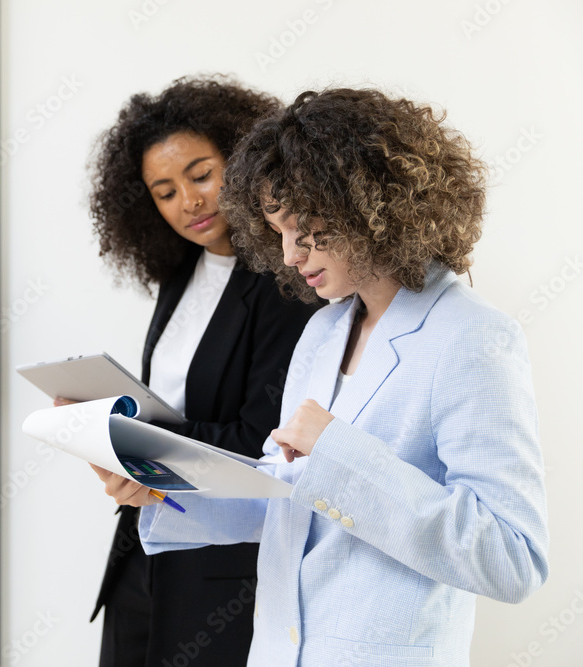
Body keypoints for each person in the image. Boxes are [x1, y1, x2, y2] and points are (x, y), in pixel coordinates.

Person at [94, 88, 550, 666]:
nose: (287, 255)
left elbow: (512, 559)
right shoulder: (324, 332)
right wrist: (164, 485)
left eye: (304, 230)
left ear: (369, 206)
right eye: (277, 231)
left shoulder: (471, 335)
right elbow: (285, 499)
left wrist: (337, 454)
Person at [82, 76, 318, 667]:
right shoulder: (179, 273)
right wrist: (107, 419)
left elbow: (260, 441)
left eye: (200, 174)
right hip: (140, 545)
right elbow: (175, 403)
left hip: (218, 567)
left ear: (239, 161)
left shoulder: (288, 284)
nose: (187, 201)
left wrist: (138, 442)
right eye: (163, 191)